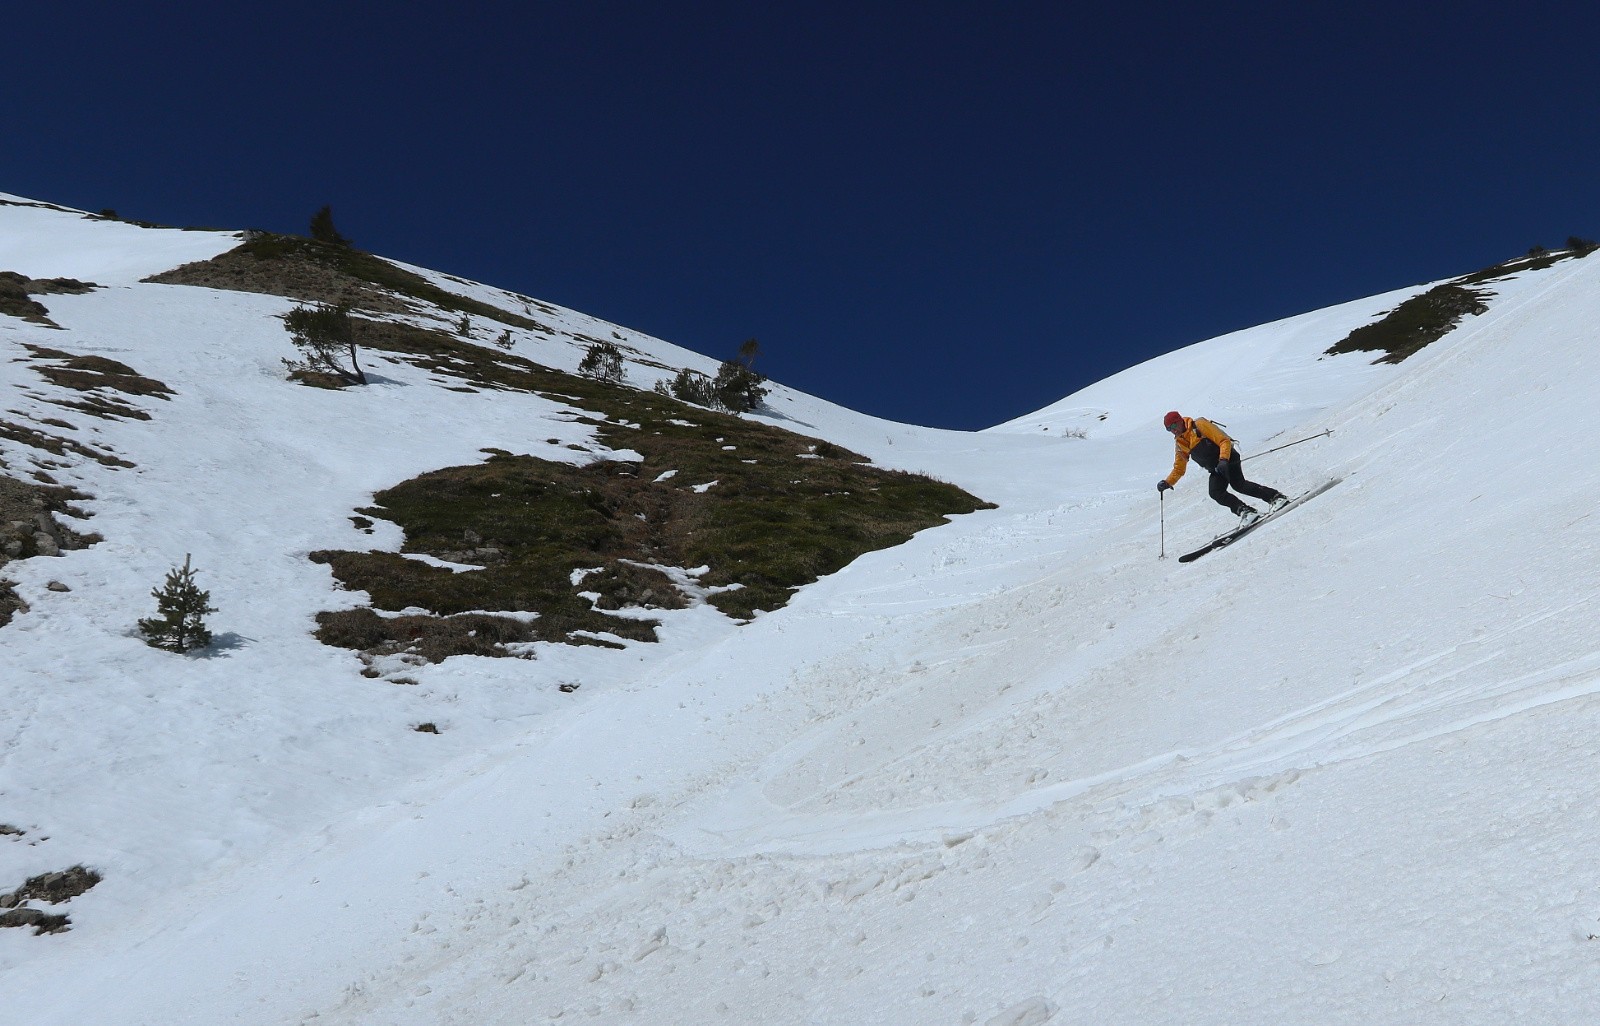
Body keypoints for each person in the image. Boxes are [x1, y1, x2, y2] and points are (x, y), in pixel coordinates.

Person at [1157, 411, 1288, 525]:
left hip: (1228, 458)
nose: (1173, 430)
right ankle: (1246, 511)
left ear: (1180, 420)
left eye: (1174, 426)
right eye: (1169, 429)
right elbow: (1179, 468)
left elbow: (1223, 440)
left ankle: (1276, 497)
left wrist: (1224, 460)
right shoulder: (1180, 443)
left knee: (1239, 485)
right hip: (1216, 468)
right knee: (1215, 492)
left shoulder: (1199, 425)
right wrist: (1167, 482)